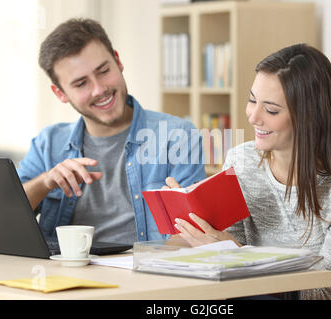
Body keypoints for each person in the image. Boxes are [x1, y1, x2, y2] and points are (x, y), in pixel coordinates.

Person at [167, 44, 331, 300]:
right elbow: (229, 253)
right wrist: (200, 227)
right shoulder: (240, 161)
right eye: (252, 100)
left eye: (271, 110)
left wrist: (236, 256)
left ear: (309, 117)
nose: (253, 117)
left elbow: (328, 288)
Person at [18, 18, 206, 244]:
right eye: (81, 84)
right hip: (62, 274)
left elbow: (193, 237)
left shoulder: (177, 136)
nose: (99, 89)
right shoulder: (47, 143)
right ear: (60, 94)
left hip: (145, 273)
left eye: (104, 71)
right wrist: (45, 182)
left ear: (117, 61)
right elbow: (5, 217)